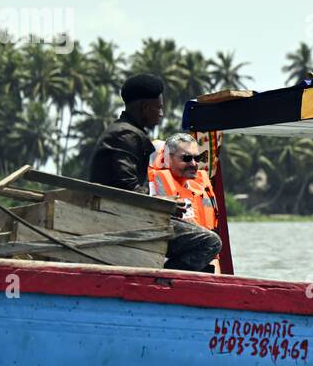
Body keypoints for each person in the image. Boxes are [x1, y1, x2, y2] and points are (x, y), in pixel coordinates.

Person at [89, 74, 221, 272]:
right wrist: (164, 204)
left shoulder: (125, 131)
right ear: (144, 108)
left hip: (127, 215)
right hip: (123, 219)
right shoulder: (125, 135)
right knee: (209, 242)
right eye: (158, 107)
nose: (161, 113)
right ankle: (163, 281)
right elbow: (125, 189)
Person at [149, 134, 218, 232]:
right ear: (168, 158)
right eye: (186, 158)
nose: (194, 164)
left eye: (197, 158)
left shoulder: (199, 187)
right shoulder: (151, 186)